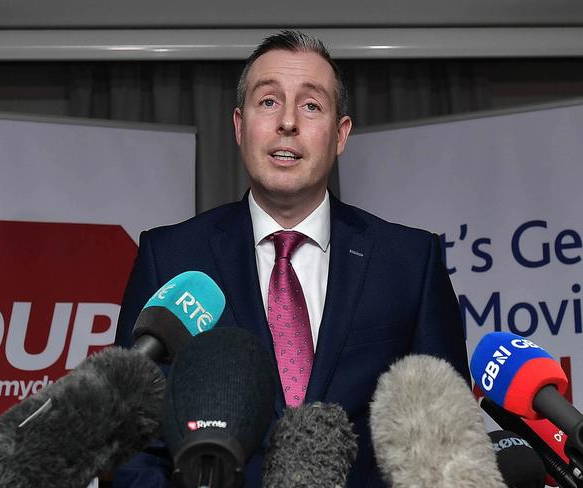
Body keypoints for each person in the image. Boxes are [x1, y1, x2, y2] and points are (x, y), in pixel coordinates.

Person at [114, 30, 469, 487]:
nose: (287, 122)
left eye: (310, 105)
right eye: (268, 102)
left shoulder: (409, 263)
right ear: (240, 126)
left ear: (340, 134)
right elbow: (134, 446)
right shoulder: (172, 257)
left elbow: (448, 445)